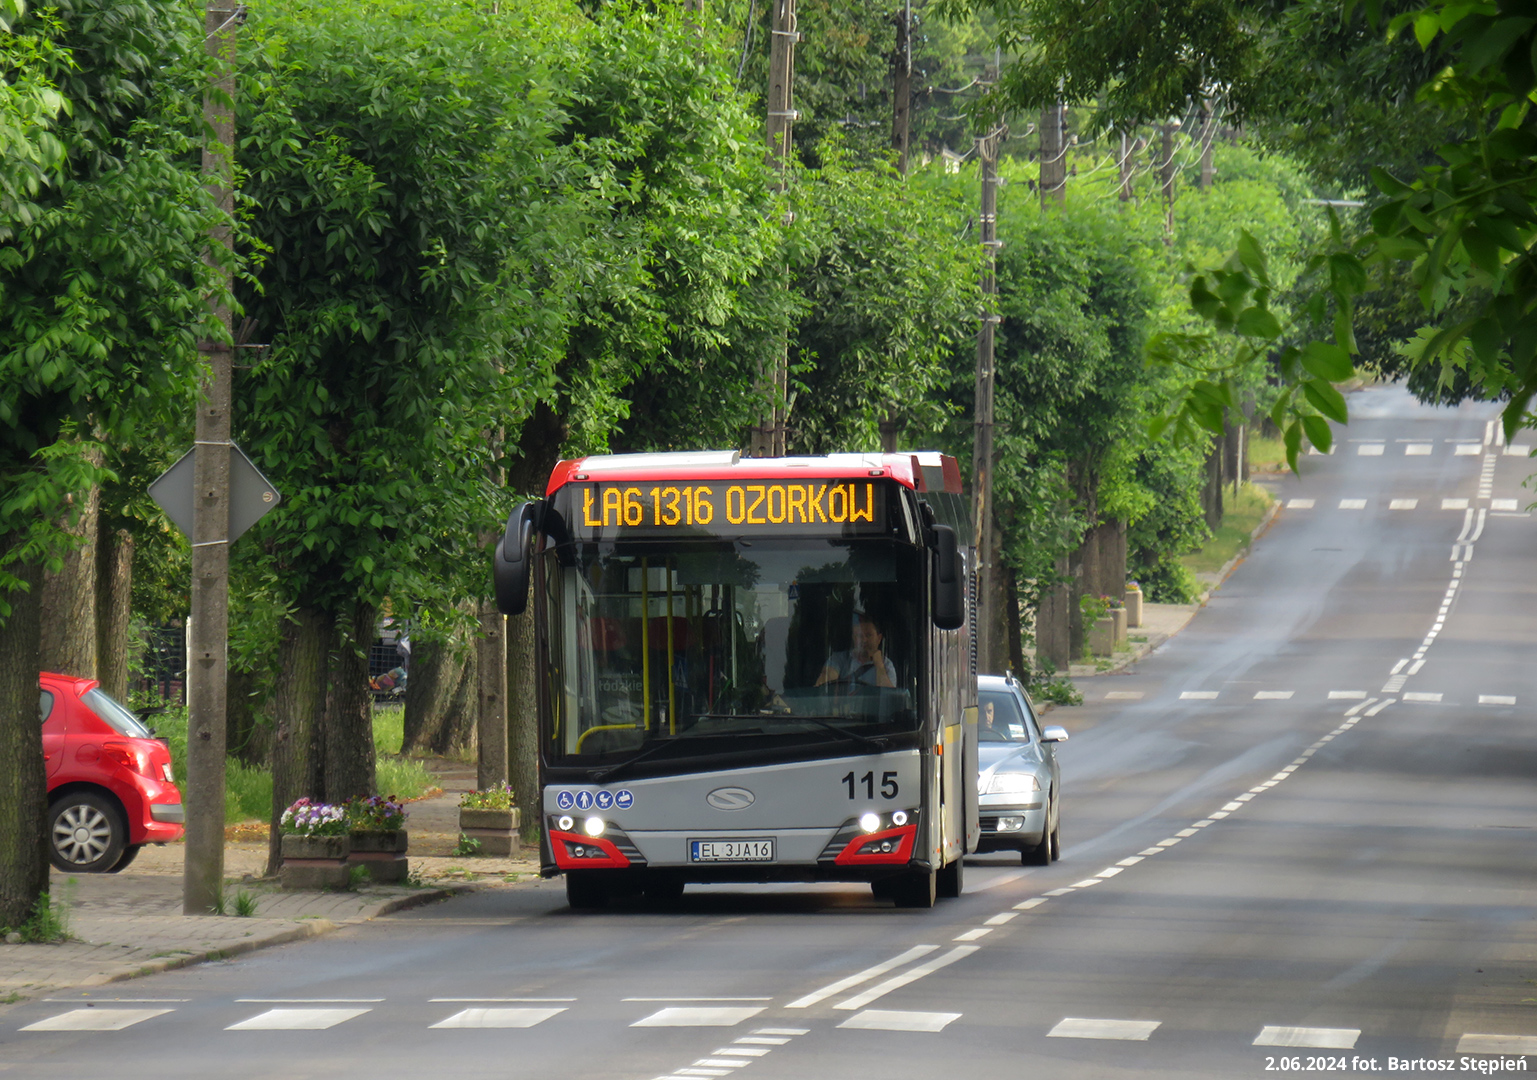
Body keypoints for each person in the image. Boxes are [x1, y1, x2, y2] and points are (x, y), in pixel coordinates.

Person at [815, 613, 896, 688]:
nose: (864, 640)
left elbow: (889, 697)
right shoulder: (839, 659)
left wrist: (879, 665)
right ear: (853, 638)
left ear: (879, 638)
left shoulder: (886, 665)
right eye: (859, 636)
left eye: (868, 635)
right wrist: (827, 676)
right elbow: (825, 683)